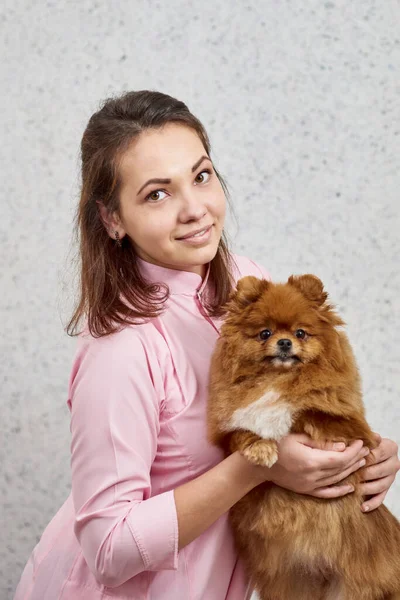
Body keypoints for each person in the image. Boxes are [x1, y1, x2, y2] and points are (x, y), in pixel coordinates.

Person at [14, 90, 400, 600]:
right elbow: (108, 550)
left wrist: (357, 455)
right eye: (157, 194)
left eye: (201, 176)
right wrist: (252, 467)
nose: (195, 209)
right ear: (111, 219)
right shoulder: (122, 350)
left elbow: (296, 404)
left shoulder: (249, 281)